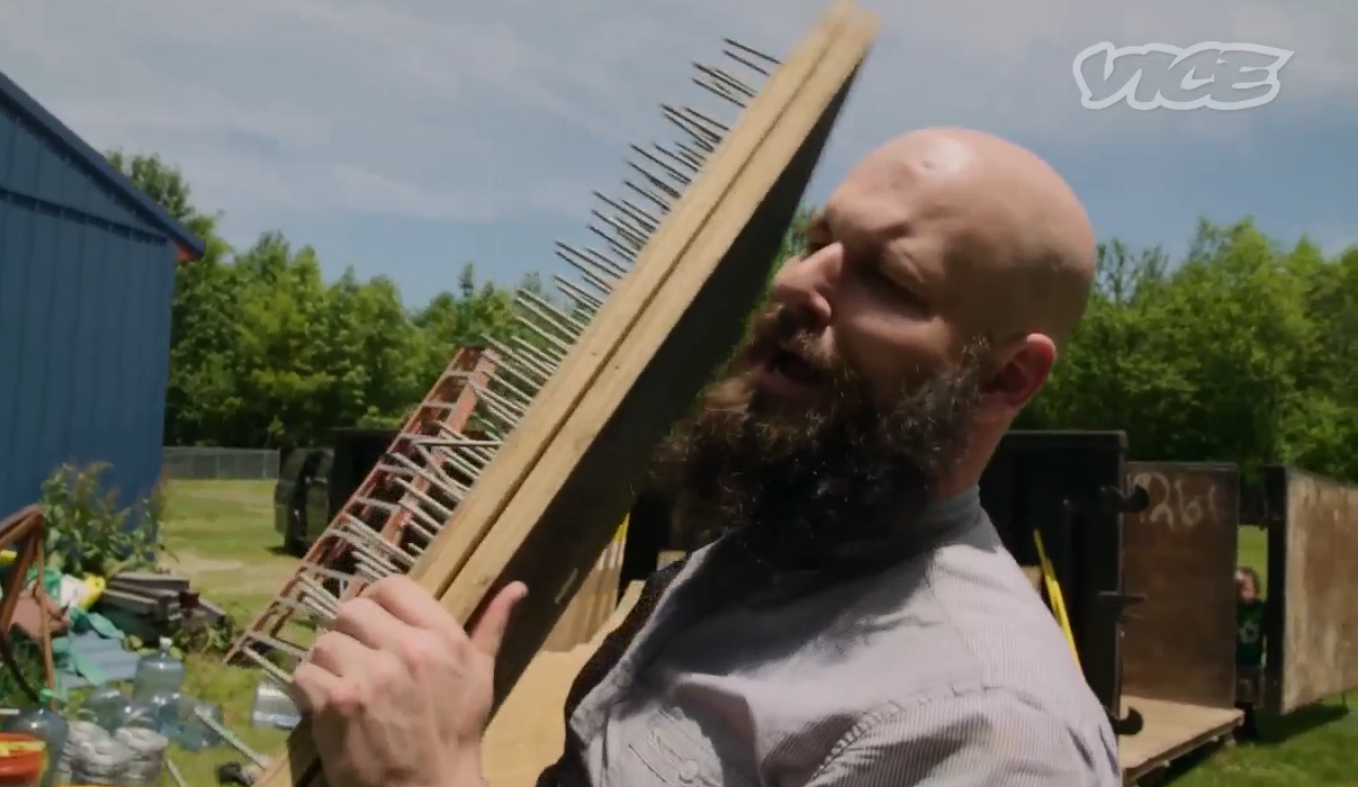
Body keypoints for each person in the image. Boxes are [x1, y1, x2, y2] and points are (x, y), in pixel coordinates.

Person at [292, 127, 1121, 787]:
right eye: (816, 239)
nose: (796, 282)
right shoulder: (748, 559)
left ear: (1005, 376)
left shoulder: (990, 729)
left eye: (891, 277)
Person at [1234, 566, 1266, 740]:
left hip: (1252, 661)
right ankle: (1239, 730)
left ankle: (1249, 729)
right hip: (1236, 662)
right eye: (1239, 589)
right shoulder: (1233, 608)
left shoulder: (1261, 609)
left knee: (1249, 698)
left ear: (1256, 589)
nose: (1243, 593)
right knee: (1238, 698)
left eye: (1246, 588)